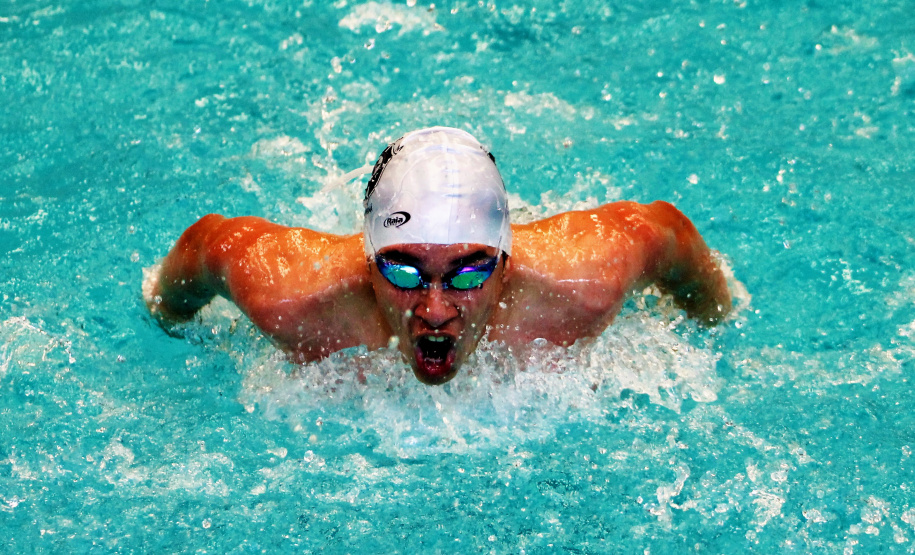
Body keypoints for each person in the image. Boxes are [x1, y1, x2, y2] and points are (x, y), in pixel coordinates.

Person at [146, 127, 731, 385]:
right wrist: (163, 319)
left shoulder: (583, 282)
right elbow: (208, 246)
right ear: (366, 260)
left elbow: (665, 232)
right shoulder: (292, 296)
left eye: (469, 271)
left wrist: (714, 320)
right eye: (403, 269)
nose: (434, 308)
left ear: (506, 261)